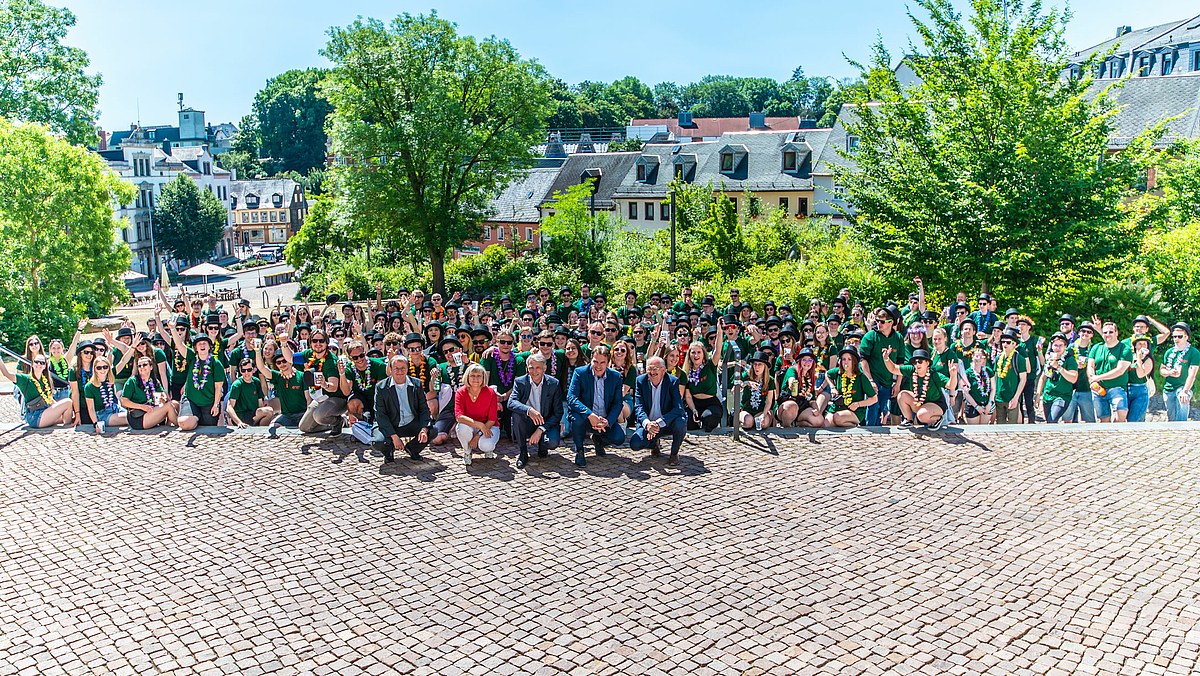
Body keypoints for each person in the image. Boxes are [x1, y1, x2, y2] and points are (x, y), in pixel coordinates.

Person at [565, 345, 626, 466]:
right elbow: (571, 398)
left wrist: (608, 421)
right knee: (576, 419)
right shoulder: (580, 373)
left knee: (619, 438)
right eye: (595, 362)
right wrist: (589, 414)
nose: (598, 366)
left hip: (604, 418)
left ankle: (598, 440)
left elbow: (618, 403)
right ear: (590, 360)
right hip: (586, 418)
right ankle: (580, 450)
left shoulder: (616, 376)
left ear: (608, 362)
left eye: (602, 362)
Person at [370, 355, 431, 462]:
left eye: (403, 368)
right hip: (392, 422)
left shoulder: (416, 384)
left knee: (432, 430)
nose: (400, 371)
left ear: (407, 369)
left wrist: (423, 428)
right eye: (396, 368)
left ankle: (413, 449)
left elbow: (424, 409)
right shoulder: (381, 387)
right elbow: (380, 414)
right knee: (379, 441)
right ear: (390, 369)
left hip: (411, 422)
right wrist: (393, 436)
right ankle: (388, 452)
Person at [507, 352, 563, 468]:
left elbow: (558, 412)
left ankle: (543, 446)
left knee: (552, 442)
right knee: (516, 415)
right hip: (527, 421)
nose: (534, 371)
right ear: (527, 368)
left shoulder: (553, 383)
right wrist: (529, 410)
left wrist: (541, 429)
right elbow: (511, 402)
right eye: (531, 368)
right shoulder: (520, 382)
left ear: (544, 368)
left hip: (545, 422)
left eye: (538, 368)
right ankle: (523, 452)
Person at [630, 356, 688, 465]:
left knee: (681, 421)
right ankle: (653, 443)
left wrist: (659, 422)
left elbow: (678, 408)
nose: (652, 372)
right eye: (649, 369)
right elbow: (639, 407)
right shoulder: (640, 381)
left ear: (663, 370)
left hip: (667, 423)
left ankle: (674, 453)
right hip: (649, 423)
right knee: (635, 443)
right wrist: (647, 424)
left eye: (655, 369)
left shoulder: (673, 381)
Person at [0, 350, 75, 428]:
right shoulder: (25, 379)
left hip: (45, 411)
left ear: (45, 366)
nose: (39, 364)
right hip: (35, 417)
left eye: (42, 363)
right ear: (32, 364)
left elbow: (50, 400)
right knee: (68, 402)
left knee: (66, 413)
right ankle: (67, 428)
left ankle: (67, 428)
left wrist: (60, 409)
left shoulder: (45, 380)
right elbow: (7, 374)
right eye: (37, 362)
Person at [881, 348, 948, 429]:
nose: (917, 364)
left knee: (921, 415)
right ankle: (908, 420)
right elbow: (893, 369)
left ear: (927, 363)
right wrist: (886, 358)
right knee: (902, 395)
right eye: (914, 362)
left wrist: (954, 375)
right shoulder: (912, 370)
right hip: (920, 402)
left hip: (936, 404)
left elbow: (950, 385)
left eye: (920, 361)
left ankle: (937, 418)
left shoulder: (934, 375)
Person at [173, 331, 228, 431]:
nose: (202, 345)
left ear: (209, 346)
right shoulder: (191, 357)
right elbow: (179, 344)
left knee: (209, 428)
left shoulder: (216, 364)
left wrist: (216, 405)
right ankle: (194, 417)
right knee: (184, 423)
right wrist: (173, 329)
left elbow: (218, 387)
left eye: (204, 343)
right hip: (191, 400)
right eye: (199, 344)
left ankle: (198, 419)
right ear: (196, 348)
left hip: (208, 402)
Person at [858, 307, 902, 426]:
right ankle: (872, 434)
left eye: (882, 321)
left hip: (887, 381)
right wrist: (870, 380)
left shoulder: (898, 338)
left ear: (891, 322)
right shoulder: (870, 336)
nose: (879, 324)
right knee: (873, 407)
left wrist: (897, 384)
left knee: (882, 408)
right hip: (872, 378)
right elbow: (863, 360)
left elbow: (901, 363)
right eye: (877, 321)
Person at [454, 362, 500, 465]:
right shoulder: (460, 392)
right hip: (471, 425)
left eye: (479, 376)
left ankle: (488, 450)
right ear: (467, 377)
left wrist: (478, 435)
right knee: (461, 428)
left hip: (489, 425)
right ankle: (467, 452)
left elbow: (492, 419)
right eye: (473, 376)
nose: (476, 379)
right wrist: (479, 424)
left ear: (483, 377)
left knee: (486, 445)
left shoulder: (490, 393)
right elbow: (459, 417)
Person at [1088, 321, 1132, 423]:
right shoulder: (1096, 347)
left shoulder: (1125, 349)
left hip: (1117, 387)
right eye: (1105, 332)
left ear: (1117, 333)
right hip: (1099, 388)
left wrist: (1097, 377)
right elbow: (1090, 366)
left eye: (1111, 332)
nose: (1108, 335)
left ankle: (1117, 436)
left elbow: (1120, 370)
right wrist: (1092, 380)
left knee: (1121, 415)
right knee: (1103, 419)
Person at [121, 356, 179, 430]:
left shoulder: (154, 381)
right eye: (139, 366)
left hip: (152, 410)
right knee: (168, 406)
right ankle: (180, 425)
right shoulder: (132, 381)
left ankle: (168, 425)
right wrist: (142, 407)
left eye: (144, 365)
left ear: (151, 367)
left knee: (175, 403)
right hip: (138, 417)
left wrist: (163, 399)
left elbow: (163, 394)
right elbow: (124, 402)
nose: (142, 367)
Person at [256, 347, 309, 427]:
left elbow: (308, 398)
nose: (282, 364)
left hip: (302, 414)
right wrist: (257, 351)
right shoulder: (277, 377)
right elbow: (262, 368)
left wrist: (307, 416)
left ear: (290, 361)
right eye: (278, 362)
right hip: (286, 416)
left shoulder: (301, 376)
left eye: (284, 361)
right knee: (273, 425)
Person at [825, 348, 878, 428]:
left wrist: (858, 404)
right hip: (838, 407)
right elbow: (827, 374)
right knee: (827, 424)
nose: (846, 362)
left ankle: (855, 427)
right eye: (844, 359)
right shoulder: (838, 372)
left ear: (854, 362)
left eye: (849, 359)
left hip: (855, 411)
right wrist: (832, 387)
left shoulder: (861, 377)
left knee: (838, 418)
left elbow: (874, 399)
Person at [1036, 333, 1078, 424]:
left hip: (1062, 395)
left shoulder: (1070, 360)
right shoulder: (1049, 360)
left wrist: (1059, 367)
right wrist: (1038, 395)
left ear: (1065, 346)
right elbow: (1043, 378)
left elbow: (1073, 378)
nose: (1057, 348)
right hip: (1048, 395)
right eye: (1055, 345)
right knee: (1049, 422)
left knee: (1052, 420)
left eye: (1060, 345)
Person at [1161, 322, 1198, 421]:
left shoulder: (1194, 352)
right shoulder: (1169, 352)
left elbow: (1192, 374)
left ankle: (1183, 431)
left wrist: (1185, 391)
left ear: (1187, 337)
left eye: (1180, 336)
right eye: (1174, 337)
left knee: (1183, 403)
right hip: (1169, 388)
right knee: (1171, 419)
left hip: (1183, 387)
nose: (1176, 339)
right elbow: (1162, 370)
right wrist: (1169, 373)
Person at [83, 355, 129, 433]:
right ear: (95, 369)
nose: (102, 370)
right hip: (102, 414)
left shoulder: (110, 379)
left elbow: (123, 361)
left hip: (114, 408)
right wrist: (96, 423)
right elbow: (91, 408)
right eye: (99, 368)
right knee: (129, 418)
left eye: (105, 367)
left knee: (133, 415)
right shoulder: (89, 386)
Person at [227, 357, 275, 427]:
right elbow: (229, 407)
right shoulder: (237, 385)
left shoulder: (256, 382)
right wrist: (239, 422)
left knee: (269, 411)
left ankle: (260, 431)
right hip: (242, 415)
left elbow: (260, 403)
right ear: (240, 371)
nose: (246, 373)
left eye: (249, 370)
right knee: (269, 411)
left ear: (254, 370)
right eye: (243, 370)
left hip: (254, 413)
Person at [993, 330, 1027, 424]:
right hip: (999, 397)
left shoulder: (1019, 359)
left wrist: (1016, 397)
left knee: (1012, 425)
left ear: (1014, 344)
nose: (1005, 344)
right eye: (1003, 342)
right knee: (1000, 423)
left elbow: (1023, 379)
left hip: (1012, 397)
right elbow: (995, 377)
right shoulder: (998, 358)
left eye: (1008, 342)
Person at [739, 352, 776, 430]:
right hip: (746, 409)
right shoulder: (746, 376)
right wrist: (746, 383)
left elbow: (769, 401)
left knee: (763, 423)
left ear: (765, 366)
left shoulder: (770, 380)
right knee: (748, 422)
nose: (757, 367)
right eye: (755, 364)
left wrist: (763, 414)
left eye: (760, 364)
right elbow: (734, 391)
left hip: (761, 410)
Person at [960, 347, 994, 425]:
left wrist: (990, 403)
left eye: (981, 356)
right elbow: (965, 392)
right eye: (976, 356)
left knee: (984, 429)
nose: (978, 358)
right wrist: (976, 406)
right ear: (972, 357)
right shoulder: (967, 373)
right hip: (973, 405)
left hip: (986, 405)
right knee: (974, 431)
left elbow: (993, 388)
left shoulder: (989, 371)